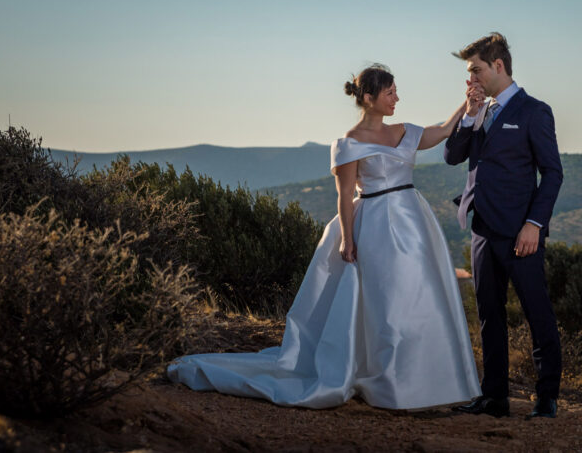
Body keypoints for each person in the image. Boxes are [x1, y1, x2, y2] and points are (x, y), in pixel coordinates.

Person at [167, 64, 480, 410]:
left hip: (414, 222)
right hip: (375, 223)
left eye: (395, 91)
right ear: (368, 97)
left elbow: (441, 130)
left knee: (417, 297)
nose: (397, 98)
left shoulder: (404, 130)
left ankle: (420, 380)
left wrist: (465, 106)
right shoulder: (348, 144)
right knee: (386, 302)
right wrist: (348, 239)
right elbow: (345, 196)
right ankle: (387, 380)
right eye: (390, 92)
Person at [445, 32, 564, 419]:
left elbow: (552, 173)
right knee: (488, 315)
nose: (471, 79)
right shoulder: (478, 109)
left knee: (537, 313)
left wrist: (534, 224)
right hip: (483, 231)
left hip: (520, 234)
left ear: (498, 66)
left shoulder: (534, 111)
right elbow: (451, 156)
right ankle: (494, 397)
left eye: (476, 70)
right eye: (469, 73)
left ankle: (547, 398)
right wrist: (468, 114)